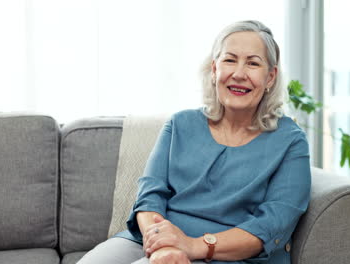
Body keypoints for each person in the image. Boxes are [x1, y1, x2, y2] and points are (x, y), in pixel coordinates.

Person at [78, 20, 311, 264]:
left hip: (228, 255)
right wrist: (161, 245)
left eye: (253, 63)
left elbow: (272, 224)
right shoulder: (180, 124)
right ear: (214, 69)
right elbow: (149, 196)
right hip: (154, 239)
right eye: (230, 60)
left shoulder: (290, 141)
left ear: (270, 77)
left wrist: (191, 246)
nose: (239, 74)